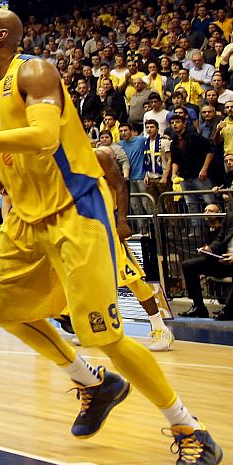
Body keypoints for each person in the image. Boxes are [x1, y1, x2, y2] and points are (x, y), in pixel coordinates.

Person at [0, 8, 220, 465]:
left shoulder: (34, 70)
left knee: (102, 335)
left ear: (1, 34)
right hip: (26, 220)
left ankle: (191, 430)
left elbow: (45, 138)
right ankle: (96, 383)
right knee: (4, 311)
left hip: (76, 212)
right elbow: (10, 152)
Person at [55, 144, 174, 352]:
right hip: (82, 229)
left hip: (107, 226)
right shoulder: (60, 165)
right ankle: (94, 328)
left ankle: (160, 327)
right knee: (86, 281)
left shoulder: (98, 156)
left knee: (131, 278)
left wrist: (122, 221)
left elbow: (121, 187)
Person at [177, 203, 233, 320]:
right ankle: (199, 307)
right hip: (225, 259)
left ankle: (229, 310)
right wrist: (209, 248)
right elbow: (219, 239)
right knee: (188, 265)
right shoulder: (232, 217)